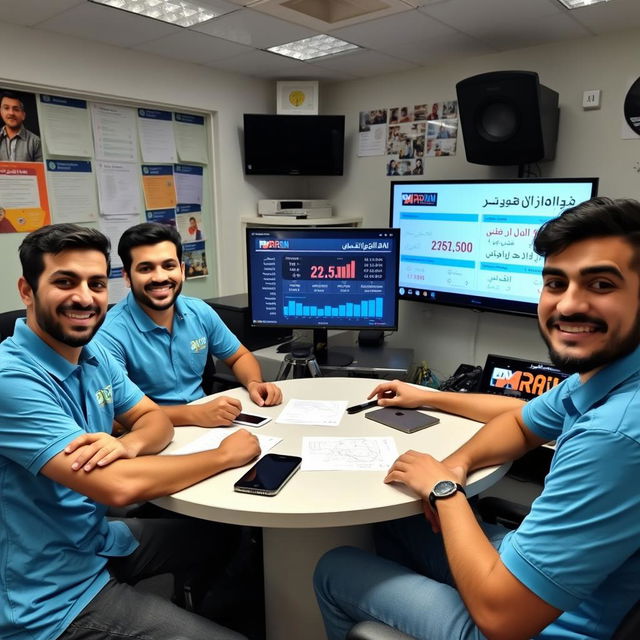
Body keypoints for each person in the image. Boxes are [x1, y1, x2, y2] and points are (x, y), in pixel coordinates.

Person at [314, 197, 640, 640]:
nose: (567, 306)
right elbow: (522, 421)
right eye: (555, 283)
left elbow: (503, 620)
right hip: (542, 581)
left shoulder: (614, 435)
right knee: (395, 522)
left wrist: (444, 492)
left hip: (529, 623)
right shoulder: (611, 374)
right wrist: (455, 464)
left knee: (335, 567)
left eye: (601, 284)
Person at [0, 223, 260, 640]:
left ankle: (190, 609)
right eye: (64, 282)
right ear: (27, 291)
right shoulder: (11, 380)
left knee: (220, 536)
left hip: (94, 537)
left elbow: (154, 419)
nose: (84, 297)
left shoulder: (92, 353)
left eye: (95, 283)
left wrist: (130, 443)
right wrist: (225, 456)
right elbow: (116, 488)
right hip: (50, 593)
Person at [96, 222, 282, 427]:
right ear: (127, 277)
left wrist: (254, 382)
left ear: (182, 270)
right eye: (146, 268)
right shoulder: (109, 334)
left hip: (207, 422)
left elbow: (239, 356)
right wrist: (194, 414)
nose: (160, 277)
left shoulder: (199, 311)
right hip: (151, 431)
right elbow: (112, 416)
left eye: (169, 266)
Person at [0, 91, 43, 162]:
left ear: (23, 115)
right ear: (1, 112)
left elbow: (40, 171)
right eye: (6, 108)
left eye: (16, 109)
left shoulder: (35, 142)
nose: (11, 113)